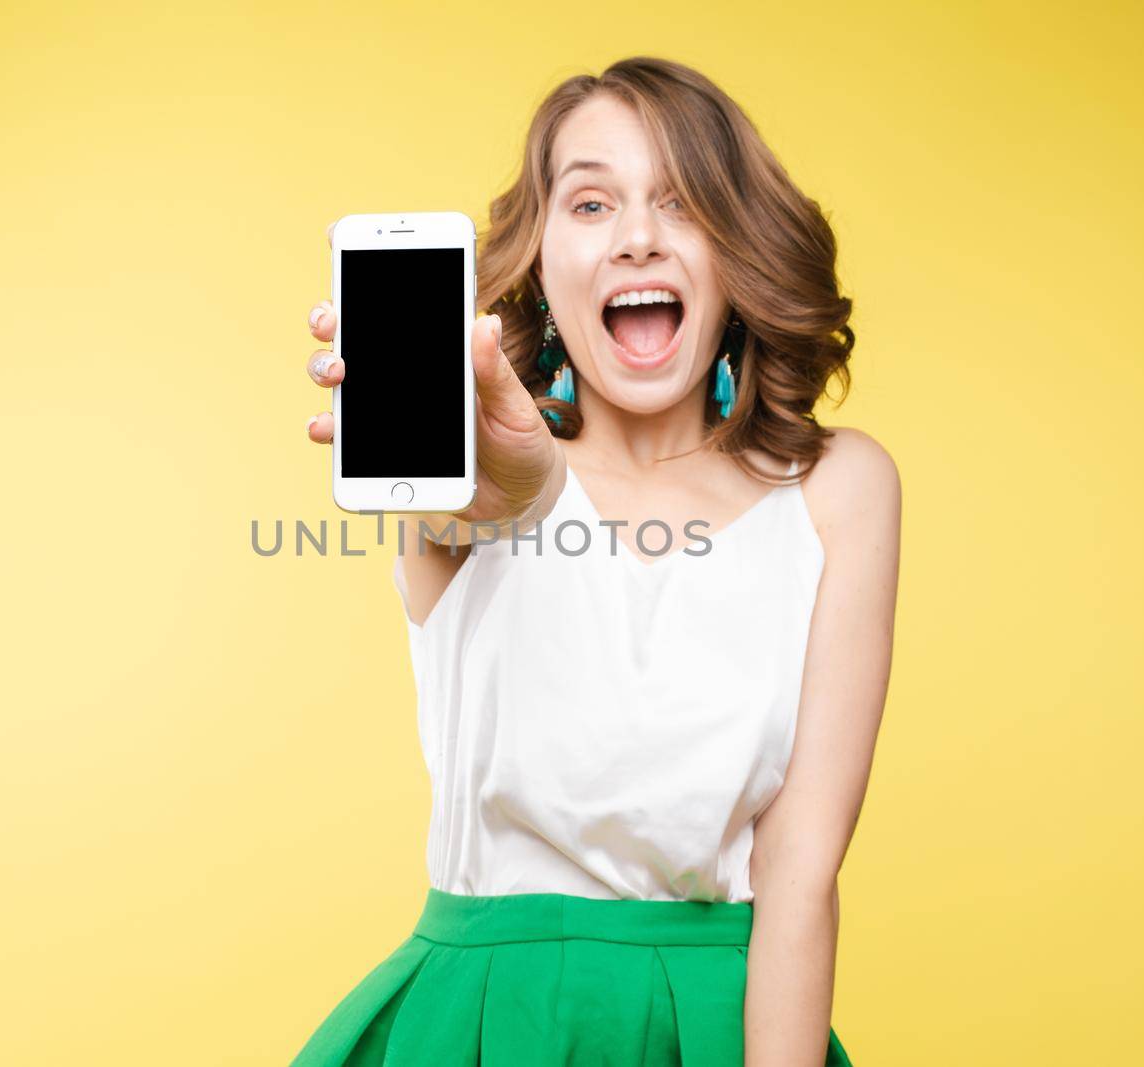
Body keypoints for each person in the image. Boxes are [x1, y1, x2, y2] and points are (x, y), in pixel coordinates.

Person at [294, 55, 899, 1067]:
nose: (636, 237)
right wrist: (504, 481)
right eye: (589, 202)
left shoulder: (839, 487)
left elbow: (801, 873)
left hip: (722, 1021)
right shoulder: (478, 471)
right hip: (483, 1021)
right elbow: (500, 494)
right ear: (537, 261)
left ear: (736, 249)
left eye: (681, 201)